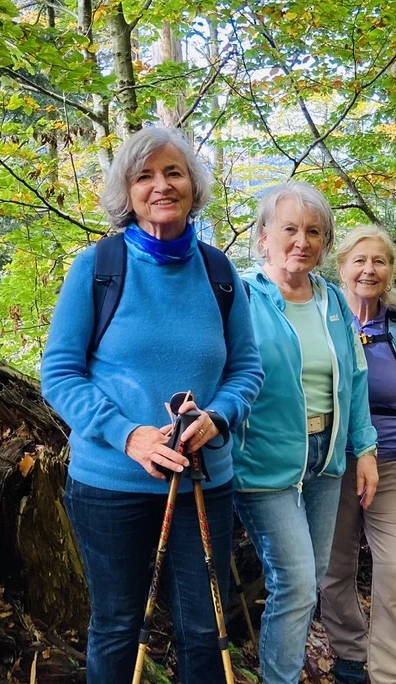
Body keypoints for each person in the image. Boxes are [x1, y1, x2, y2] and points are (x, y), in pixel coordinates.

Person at [40, 126, 264, 683]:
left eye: (173, 172)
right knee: (116, 626)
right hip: (110, 484)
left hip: (200, 484)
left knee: (205, 630)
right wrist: (128, 435)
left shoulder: (219, 273)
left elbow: (247, 369)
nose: (161, 185)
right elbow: (60, 374)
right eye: (144, 176)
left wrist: (218, 416)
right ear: (128, 192)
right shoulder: (97, 268)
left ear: (193, 185)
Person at [232, 182, 380, 684]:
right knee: (296, 584)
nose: (302, 240)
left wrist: (363, 449)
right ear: (264, 236)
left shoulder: (335, 301)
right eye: (290, 229)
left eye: (314, 231)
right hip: (263, 460)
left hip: (325, 459)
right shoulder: (241, 297)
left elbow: (355, 380)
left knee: (310, 579)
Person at [320, 226, 396, 684]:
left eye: (379, 261)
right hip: (332, 463)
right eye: (360, 260)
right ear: (341, 265)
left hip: (392, 461)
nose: (369, 269)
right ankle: (350, 654)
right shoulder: (320, 316)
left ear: (390, 271)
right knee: (334, 569)